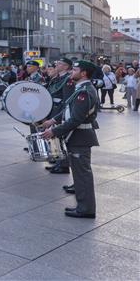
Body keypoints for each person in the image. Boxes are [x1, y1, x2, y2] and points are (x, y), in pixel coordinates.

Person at [41, 60, 100, 218]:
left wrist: (53, 131)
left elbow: (76, 119)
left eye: (75, 69)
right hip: (77, 137)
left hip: (80, 138)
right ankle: (83, 206)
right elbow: (68, 108)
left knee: (83, 175)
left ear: (84, 73)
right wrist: (53, 121)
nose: (71, 72)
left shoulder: (84, 92)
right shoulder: (81, 89)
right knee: (79, 174)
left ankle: (86, 209)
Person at [46, 58, 75, 174]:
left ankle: (63, 165)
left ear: (66, 67)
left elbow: (67, 100)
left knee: (59, 138)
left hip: (59, 111)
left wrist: (61, 115)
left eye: (59, 64)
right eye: (57, 63)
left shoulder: (68, 80)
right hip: (53, 109)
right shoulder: (58, 78)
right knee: (53, 137)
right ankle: (57, 161)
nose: (56, 65)